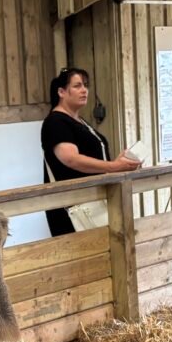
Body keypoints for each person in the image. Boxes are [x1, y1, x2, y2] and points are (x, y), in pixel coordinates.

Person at [41, 68, 141, 237]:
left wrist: (118, 164)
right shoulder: (55, 122)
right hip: (74, 206)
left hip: (95, 201)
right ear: (61, 92)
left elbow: (96, 159)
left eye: (85, 85)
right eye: (77, 86)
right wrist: (113, 166)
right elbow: (71, 159)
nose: (84, 90)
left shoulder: (80, 122)